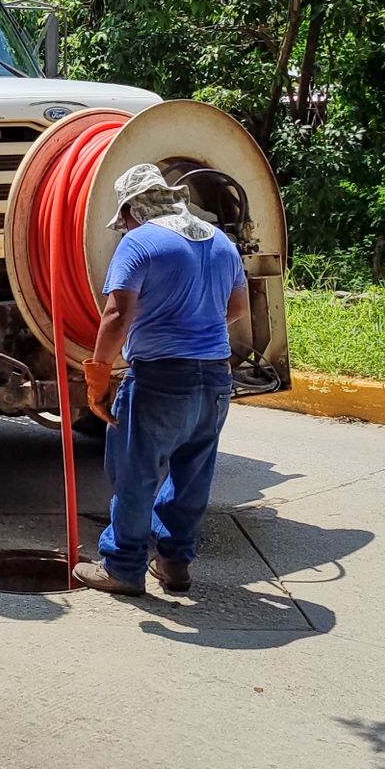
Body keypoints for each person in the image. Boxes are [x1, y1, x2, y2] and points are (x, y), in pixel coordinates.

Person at [72, 164, 249, 597]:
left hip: (159, 378)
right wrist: (196, 325)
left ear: (134, 209)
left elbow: (116, 315)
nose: (124, 227)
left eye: (124, 219)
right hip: (215, 379)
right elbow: (240, 307)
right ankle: (172, 564)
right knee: (192, 472)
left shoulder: (141, 241)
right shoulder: (222, 242)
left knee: (136, 473)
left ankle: (122, 567)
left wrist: (98, 374)